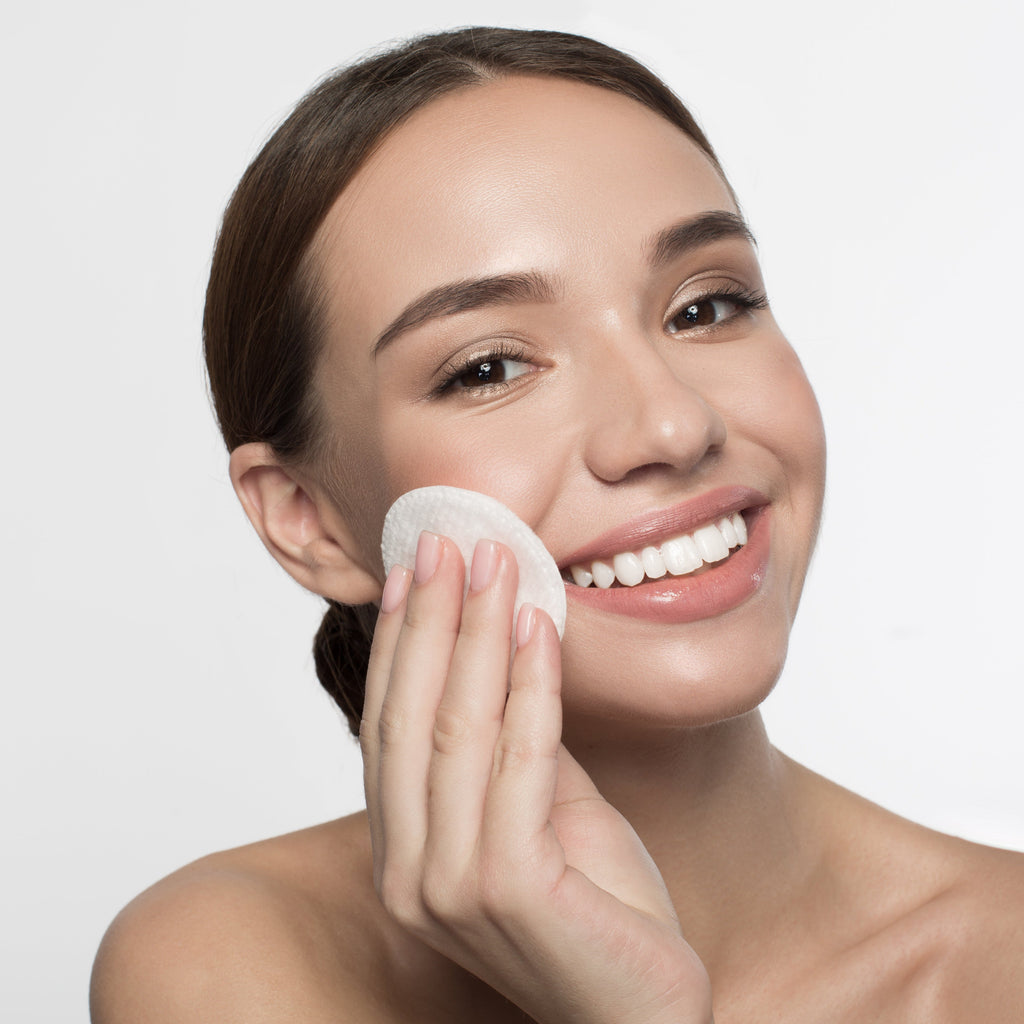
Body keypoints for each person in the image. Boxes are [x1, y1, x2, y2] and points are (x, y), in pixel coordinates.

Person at [90, 26, 1024, 1022]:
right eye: (489, 366)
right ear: (308, 520)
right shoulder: (229, 966)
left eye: (705, 306)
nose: (671, 423)